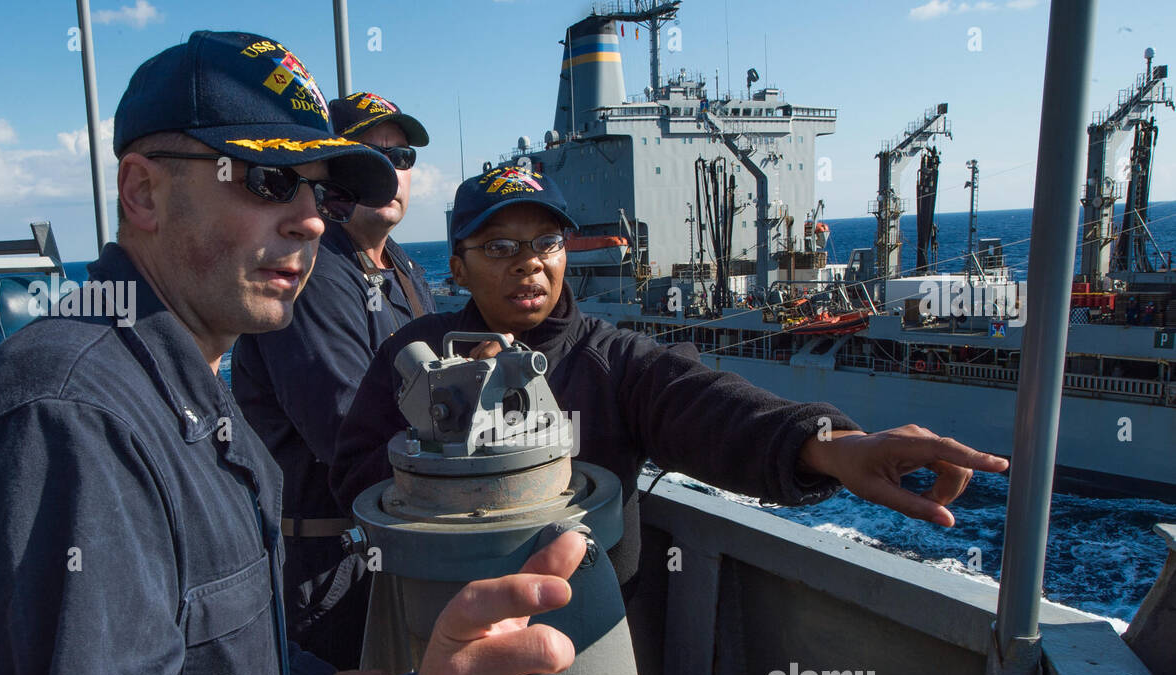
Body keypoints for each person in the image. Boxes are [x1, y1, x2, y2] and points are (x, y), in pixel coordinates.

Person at [0, 32, 584, 675]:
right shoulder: (65, 423)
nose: (311, 218)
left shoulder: (184, 389)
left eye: (321, 191)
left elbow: (202, 660)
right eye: (268, 179)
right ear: (142, 191)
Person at [331, 164, 1010, 599]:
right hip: (448, 614)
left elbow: (703, 405)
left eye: (547, 243)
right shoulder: (414, 354)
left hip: (589, 617)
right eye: (500, 247)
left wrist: (830, 444)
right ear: (458, 263)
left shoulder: (611, 359)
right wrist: (448, 440)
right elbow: (358, 478)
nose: (529, 264)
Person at [232, 91, 434, 671]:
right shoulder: (314, 272)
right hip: (327, 566)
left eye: (402, 158)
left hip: (389, 541)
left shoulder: (404, 268)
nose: (392, 171)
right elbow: (348, 431)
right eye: (371, 153)